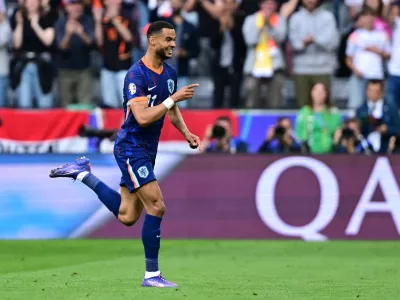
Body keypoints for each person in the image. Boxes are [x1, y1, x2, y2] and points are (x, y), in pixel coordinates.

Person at [49, 21, 202, 288]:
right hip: (131, 148)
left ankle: (82, 173)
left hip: (146, 150)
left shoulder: (170, 73)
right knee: (157, 205)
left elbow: (171, 108)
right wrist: (172, 99)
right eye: (168, 39)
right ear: (152, 41)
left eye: (174, 39)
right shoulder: (136, 75)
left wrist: (186, 132)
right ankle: (152, 276)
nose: (173, 44)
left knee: (128, 216)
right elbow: (142, 118)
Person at [295, 82, 343, 154]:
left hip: (330, 153)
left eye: (322, 91)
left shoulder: (333, 112)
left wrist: (334, 144)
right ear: (311, 92)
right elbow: (300, 133)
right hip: (309, 153)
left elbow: (337, 131)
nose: (318, 94)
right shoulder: (304, 112)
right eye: (316, 90)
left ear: (326, 94)